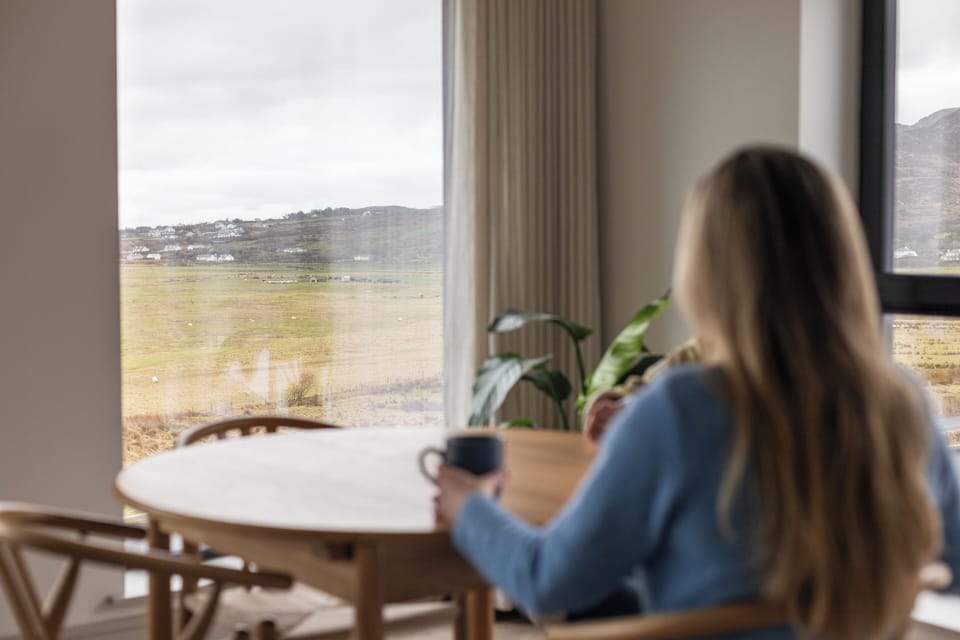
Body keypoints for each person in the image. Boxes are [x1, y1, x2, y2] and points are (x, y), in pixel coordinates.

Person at [433, 147, 960, 639]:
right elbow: (952, 568)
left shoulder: (681, 410)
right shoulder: (902, 406)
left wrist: (471, 507)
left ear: (706, 272)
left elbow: (547, 581)